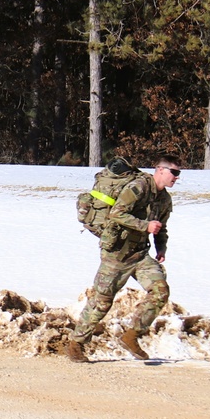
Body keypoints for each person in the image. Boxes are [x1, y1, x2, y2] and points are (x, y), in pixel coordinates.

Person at [65, 154, 181, 362]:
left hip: (139, 254)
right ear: (160, 170)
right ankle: (76, 344)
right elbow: (117, 213)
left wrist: (161, 248)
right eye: (174, 172)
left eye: (178, 173)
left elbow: (161, 227)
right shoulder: (138, 187)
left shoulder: (164, 199)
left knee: (160, 291)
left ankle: (131, 335)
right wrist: (144, 226)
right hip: (117, 253)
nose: (177, 177)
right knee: (102, 301)